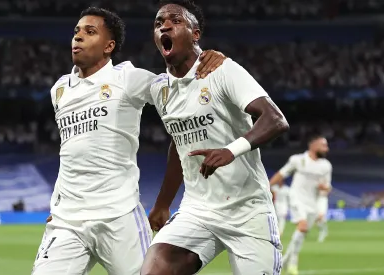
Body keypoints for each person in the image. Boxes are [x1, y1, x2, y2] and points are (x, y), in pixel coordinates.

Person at [31, 6, 226, 275]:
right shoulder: (60, 89)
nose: (78, 37)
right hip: (67, 221)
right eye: (76, 31)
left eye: (90, 32)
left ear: (109, 45)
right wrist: (59, 202)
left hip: (119, 217)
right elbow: (73, 151)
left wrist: (207, 60)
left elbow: (182, 87)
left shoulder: (128, 78)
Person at [141, 1, 289, 274]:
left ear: (195, 34)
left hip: (248, 210)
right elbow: (179, 143)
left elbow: (275, 119)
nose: (164, 25)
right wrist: (163, 203)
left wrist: (231, 151)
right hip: (198, 210)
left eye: (175, 20)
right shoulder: (159, 89)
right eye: (158, 22)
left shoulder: (222, 70)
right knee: (155, 268)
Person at [269, 134, 332, 275]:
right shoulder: (298, 160)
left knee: (301, 234)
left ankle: (287, 262)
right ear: (313, 145)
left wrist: (325, 188)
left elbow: (328, 187)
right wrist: (268, 186)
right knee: (302, 226)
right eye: (323, 145)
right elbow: (282, 173)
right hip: (297, 198)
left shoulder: (326, 166)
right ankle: (289, 262)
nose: (326, 149)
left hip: (313, 203)